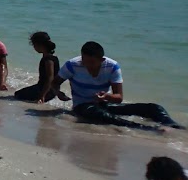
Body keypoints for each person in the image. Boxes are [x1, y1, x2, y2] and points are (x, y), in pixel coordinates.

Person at [43, 41, 183, 131]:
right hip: (83, 106)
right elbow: (55, 83)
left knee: (153, 108)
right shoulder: (72, 65)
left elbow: (119, 97)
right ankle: (143, 128)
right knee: (99, 114)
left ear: (102, 60)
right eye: (85, 61)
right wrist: (58, 93)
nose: (87, 65)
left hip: (104, 103)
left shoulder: (112, 66)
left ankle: (172, 125)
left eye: (92, 62)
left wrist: (107, 96)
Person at [14, 32, 68, 103]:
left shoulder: (48, 59)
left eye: (34, 45)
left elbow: (50, 78)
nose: (34, 47)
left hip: (46, 90)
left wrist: (42, 95)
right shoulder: (51, 56)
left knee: (18, 95)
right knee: (19, 94)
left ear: (40, 45)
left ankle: (45, 96)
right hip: (49, 89)